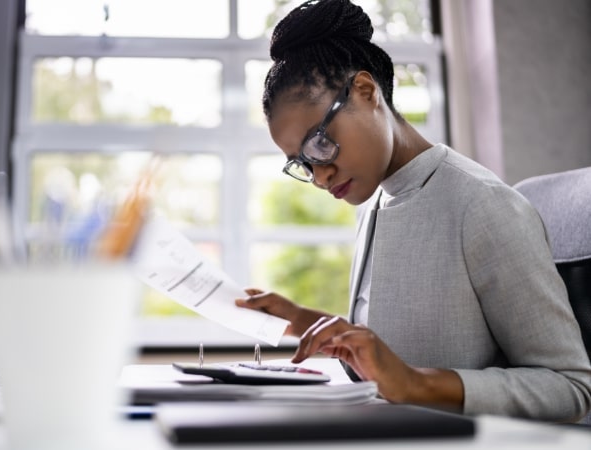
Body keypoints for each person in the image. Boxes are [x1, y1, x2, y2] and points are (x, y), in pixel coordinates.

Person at [235, 0, 591, 422]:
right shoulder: (375, 202)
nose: (319, 176)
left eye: (319, 143)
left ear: (366, 93)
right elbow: (391, 356)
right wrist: (301, 319)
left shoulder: (483, 206)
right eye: (303, 162)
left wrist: (417, 384)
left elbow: (571, 388)